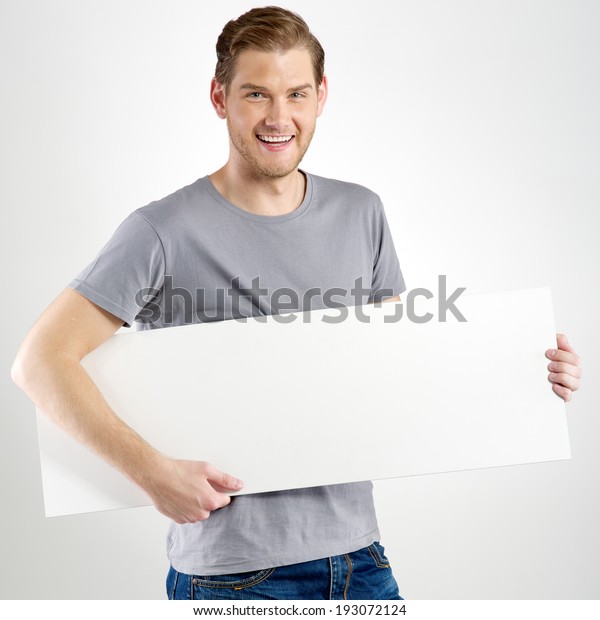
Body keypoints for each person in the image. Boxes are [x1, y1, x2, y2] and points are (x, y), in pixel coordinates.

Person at [11, 6, 582, 601]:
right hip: (232, 578)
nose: (279, 117)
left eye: (296, 94)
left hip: (360, 561)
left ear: (321, 96)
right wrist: (152, 474)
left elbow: (406, 374)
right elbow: (39, 362)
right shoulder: (161, 231)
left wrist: (526, 372)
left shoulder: (362, 213)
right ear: (219, 97)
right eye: (256, 94)